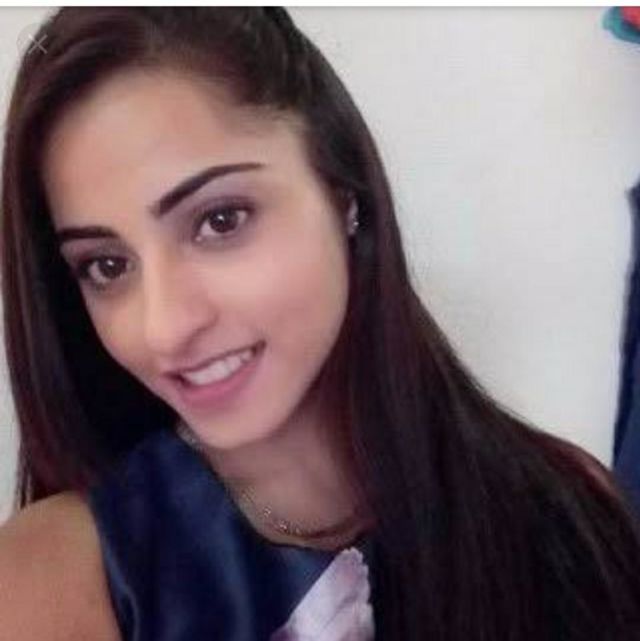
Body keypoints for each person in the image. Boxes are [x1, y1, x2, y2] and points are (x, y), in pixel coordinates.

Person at [0, 7, 639, 640]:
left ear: (342, 192)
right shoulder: (59, 578)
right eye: (107, 266)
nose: (164, 327)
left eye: (220, 221)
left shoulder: (563, 509)